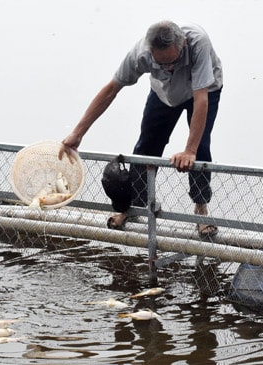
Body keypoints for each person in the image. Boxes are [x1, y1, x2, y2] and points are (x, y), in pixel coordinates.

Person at [60, 20, 223, 238]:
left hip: (205, 91)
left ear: (183, 44)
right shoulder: (140, 54)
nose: (168, 68)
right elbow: (110, 90)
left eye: (172, 62)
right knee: (146, 146)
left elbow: (200, 98)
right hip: (164, 94)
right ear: (150, 51)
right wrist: (77, 133)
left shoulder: (197, 43)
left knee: (200, 149)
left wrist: (189, 151)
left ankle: (201, 209)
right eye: (161, 64)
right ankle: (134, 206)